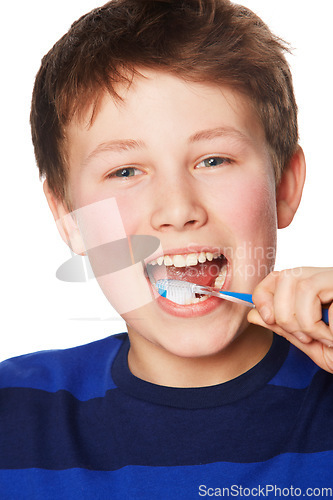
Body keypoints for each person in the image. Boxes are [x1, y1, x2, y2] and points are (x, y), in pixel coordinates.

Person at [1, 0, 332, 498]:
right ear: (70, 221)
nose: (177, 210)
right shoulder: (14, 413)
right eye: (126, 172)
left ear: (284, 186)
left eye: (214, 159)